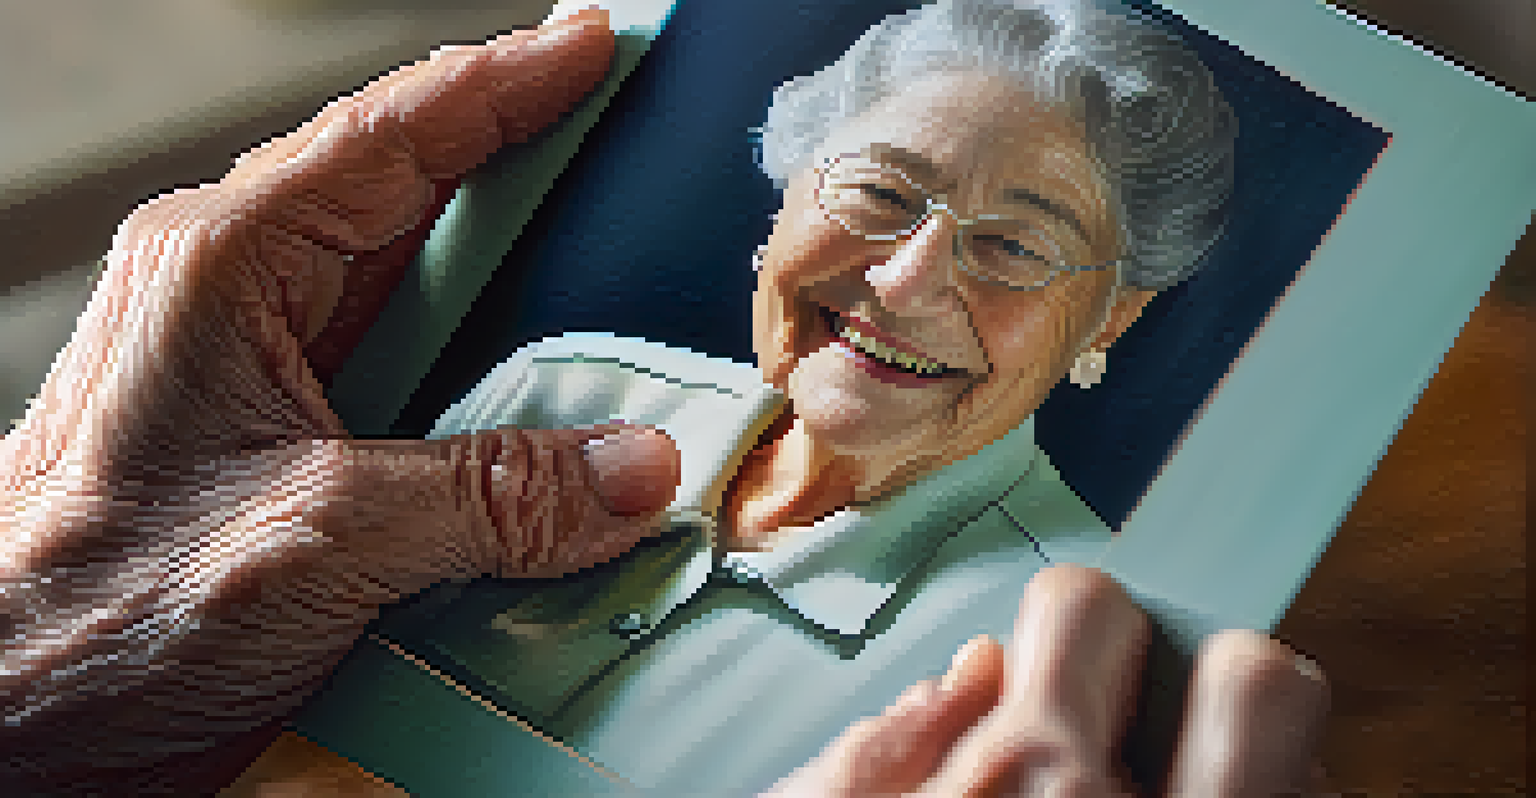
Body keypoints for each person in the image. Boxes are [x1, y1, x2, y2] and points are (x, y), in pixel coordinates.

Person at [0, 5, 1326, 797]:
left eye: (1017, 242)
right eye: (877, 192)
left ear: (1114, 315)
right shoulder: (560, 383)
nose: (908, 281)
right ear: (788, 192)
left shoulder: (1046, 648)